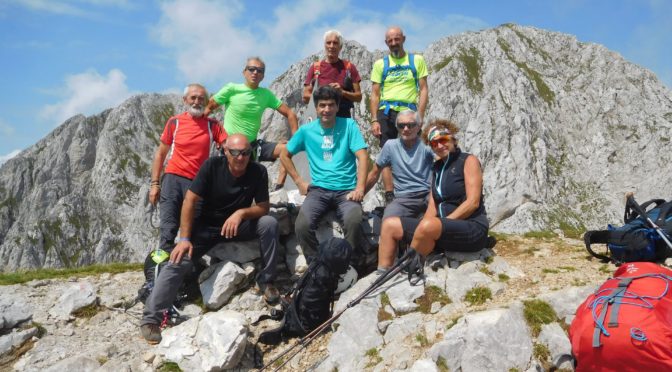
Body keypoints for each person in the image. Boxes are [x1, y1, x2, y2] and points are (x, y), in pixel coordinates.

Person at [140, 134, 280, 344]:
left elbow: (263, 207)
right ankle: (151, 319)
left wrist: (240, 213)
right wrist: (185, 238)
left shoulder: (257, 171)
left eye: (245, 153)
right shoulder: (212, 166)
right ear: (225, 151)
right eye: (235, 153)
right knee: (178, 259)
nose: (241, 157)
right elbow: (190, 199)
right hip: (205, 226)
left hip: (235, 225)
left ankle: (267, 280)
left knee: (269, 223)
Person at [376, 119, 489, 270]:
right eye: (434, 143)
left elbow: (472, 202)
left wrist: (443, 223)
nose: (440, 145)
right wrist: (427, 227)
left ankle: (409, 267)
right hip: (441, 228)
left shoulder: (468, 160)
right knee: (390, 225)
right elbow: (432, 207)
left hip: (472, 228)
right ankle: (382, 271)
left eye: (443, 140)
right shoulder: (436, 168)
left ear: (453, 139)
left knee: (429, 225)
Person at [279, 86, 368, 265]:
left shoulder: (349, 125)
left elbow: (363, 156)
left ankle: (347, 264)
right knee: (302, 225)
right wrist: (299, 181)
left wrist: (360, 188)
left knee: (354, 220)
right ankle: (316, 266)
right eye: (322, 106)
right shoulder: (306, 131)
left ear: (337, 106)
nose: (326, 110)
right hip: (318, 190)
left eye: (331, 105)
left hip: (346, 191)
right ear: (316, 108)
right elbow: (284, 154)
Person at [149, 83, 227, 254]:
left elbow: (229, 147)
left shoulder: (212, 125)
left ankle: (188, 274)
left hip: (198, 184)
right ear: (185, 100)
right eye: (193, 97)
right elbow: (160, 155)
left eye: (201, 98)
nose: (197, 101)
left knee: (193, 230)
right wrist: (155, 184)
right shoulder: (174, 122)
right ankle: (160, 274)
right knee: (168, 229)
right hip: (172, 179)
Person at [205, 57, 299, 190]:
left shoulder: (265, 94)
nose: (255, 72)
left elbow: (291, 114)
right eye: (252, 69)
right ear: (244, 72)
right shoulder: (232, 89)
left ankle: (279, 188)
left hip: (252, 146)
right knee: (230, 186)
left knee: (287, 148)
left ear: (263, 76)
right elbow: (209, 108)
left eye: (260, 71)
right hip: (230, 147)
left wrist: (295, 139)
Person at [369, 26, 429, 204]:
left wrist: (420, 114)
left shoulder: (416, 60)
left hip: (409, 112)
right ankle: (389, 194)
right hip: (386, 112)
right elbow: (374, 93)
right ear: (386, 43)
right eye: (390, 40)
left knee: (414, 149)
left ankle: (418, 188)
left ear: (403, 39)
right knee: (386, 151)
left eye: (397, 39)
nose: (394, 43)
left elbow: (424, 89)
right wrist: (374, 119)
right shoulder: (380, 64)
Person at [365, 109, 434, 220]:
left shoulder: (427, 145)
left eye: (410, 125)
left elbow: (444, 164)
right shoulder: (390, 146)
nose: (406, 129)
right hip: (403, 198)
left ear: (418, 127)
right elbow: (374, 173)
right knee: (388, 221)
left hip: (427, 195)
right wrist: (359, 196)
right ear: (397, 127)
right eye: (401, 126)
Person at [302, 30, 362, 118]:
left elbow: (358, 97)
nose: (331, 46)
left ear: (340, 47)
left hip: (343, 118)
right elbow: (305, 97)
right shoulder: (315, 68)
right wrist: (323, 94)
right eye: (328, 43)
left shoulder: (349, 68)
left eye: (335, 43)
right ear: (324, 46)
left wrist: (342, 92)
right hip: (320, 118)